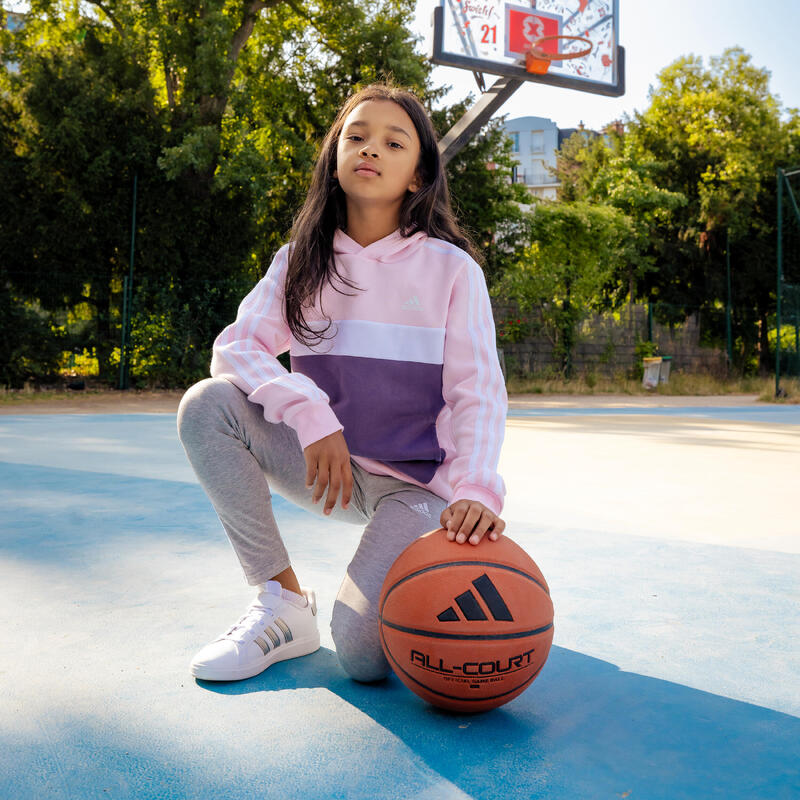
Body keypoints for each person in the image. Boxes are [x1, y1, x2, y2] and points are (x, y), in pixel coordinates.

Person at [177, 82, 508, 684]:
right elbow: (236, 347)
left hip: (415, 489)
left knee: (364, 661)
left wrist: (478, 490)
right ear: (335, 159)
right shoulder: (301, 258)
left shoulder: (451, 270)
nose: (370, 149)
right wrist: (310, 411)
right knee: (207, 406)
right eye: (355, 136)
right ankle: (281, 603)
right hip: (326, 466)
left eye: (392, 141)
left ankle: (419, 569)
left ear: (417, 175)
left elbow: (477, 394)